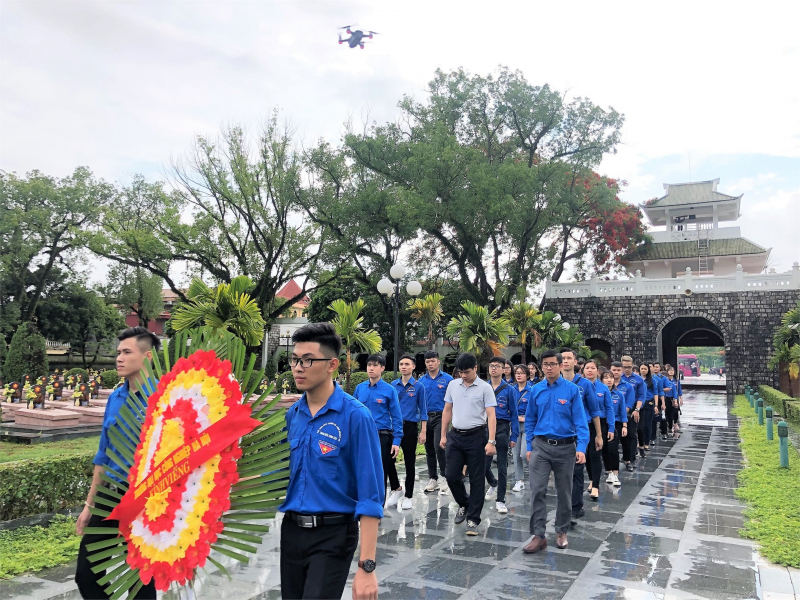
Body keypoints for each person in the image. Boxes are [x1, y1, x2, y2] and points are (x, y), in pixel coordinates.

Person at [280, 323, 382, 600]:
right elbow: (281, 474)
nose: (298, 368)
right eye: (295, 360)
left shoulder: (355, 416)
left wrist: (367, 567)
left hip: (333, 534)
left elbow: (370, 494)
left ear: (332, 365)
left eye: (307, 360)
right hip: (291, 531)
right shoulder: (293, 415)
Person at [75, 327, 160, 600]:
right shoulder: (115, 397)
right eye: (118, 352)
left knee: (140, 581)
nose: (119, 358)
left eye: (126, 352)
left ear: (147, 357)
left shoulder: (165, 398)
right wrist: (89, 506)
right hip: (110, 497)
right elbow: (103, 454)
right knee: (86, 573)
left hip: (147, 501)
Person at [523, 350, 589, 553]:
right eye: (545, 364)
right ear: (541, 367)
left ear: (561, 366)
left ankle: (561, 531)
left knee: (564, 492)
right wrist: (529, 446)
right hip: (541, 446)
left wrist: (582, 448)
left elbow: (581, 421)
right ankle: (538, 535)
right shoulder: (536, 390)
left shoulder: (572, 390)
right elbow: (530, 419)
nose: (549, 367)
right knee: (537, 490)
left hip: (565, 447)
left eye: (553, 364)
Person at [440, 353, 497, 536]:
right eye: (461, 372)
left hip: (477, 436)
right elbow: (447, 410)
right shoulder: (452, 385)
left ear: (475, 368)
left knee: (477, 479)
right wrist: (443, 435)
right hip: (456, 436)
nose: (463, 375)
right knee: (451, 475)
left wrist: (491, 441)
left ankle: (473, 519)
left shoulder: (485, 388)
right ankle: (464, 503)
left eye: (467, 372)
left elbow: (491, 415)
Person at [354, 354, 404, 507]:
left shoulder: (389, 390)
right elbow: (353, 412)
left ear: (382, 368)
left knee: (380, 471)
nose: (371, 368)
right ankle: (361, 503)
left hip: (382, 436)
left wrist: (396, 441)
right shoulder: (360, 388)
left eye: (375, 365)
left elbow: (396, 417)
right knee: (362, 469)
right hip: (362, 435)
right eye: (369, 365)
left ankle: (378, 507)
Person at [560, 348, 595, 520]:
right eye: (563, 358)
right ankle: (565, 505)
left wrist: (599, 435)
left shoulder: (585, 384)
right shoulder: (553, 383)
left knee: (577, 471)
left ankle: (576, 507)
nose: (565, 361)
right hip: (560, 433)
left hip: (579, 432)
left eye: (569, 358)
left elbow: (594, 411)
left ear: (575, 362)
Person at [391, 354, 428, 510]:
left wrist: (423, 431)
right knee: (389, 460)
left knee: (409, 461)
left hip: (410, 427)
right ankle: (396, 488)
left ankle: (409, 495)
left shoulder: (419, 387)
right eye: (401, 364)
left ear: (413, 366)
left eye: (407, 364)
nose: (403, 367)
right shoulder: (393, 385)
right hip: (394, 427)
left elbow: (423, 410)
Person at [484, 356, 519, 514]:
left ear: (503, 369)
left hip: (502, 427)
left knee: (502, 466)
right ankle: (493, 483)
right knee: (484, 464)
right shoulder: (484, 387)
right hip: (485, 427)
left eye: (497, 366)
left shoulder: (509, 389)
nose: (494, 368)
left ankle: (500, 500)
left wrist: (514, 435)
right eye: (491, 365)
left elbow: (514, 414)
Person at [419, 351, 453, 495]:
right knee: (429, 449)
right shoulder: (421, 381)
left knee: (440, 446)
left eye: (433, 361)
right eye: (428, 362)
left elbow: (452, 400)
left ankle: (445, 476)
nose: (430, 364)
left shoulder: (448, 379)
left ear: (438, 362)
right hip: (426, 417)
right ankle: (433, 478)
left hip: (441, 416)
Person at [582, 359, 615, 500]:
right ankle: (591, 479)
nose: (590, 370)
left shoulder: (603, 388)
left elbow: (609, 408)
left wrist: (611, 428)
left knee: (595, 453)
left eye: (592, 368)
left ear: (597, 371)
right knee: (586, 455)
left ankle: (595, 486)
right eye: (587, 368)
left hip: (599, 424)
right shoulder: (579, 386)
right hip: (583, 423)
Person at [600, 368, 627, 486]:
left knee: (613, 448)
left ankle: (615, 473)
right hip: (602, 423)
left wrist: (625, 425)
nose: (609, 380)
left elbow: (623, 411)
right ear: (601, 380)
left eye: (611, 377)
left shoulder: (618, 394)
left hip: (616, 424)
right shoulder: (599, 394)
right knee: (605, 449)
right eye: (606, 378)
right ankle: (608, 471)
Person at [620, 356, 645, 472]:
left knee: (632, 433)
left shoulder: (638, 380)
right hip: (617, 407)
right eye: (624, 367)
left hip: (633, 408)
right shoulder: (616, 377)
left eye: (629, 367)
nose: (626, 369)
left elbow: (641, 396)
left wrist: (637, 409)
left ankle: (631, 459)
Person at [511, 365, 532, 492]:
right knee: (515, 454)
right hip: (514, 424)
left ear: (527, 375)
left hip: (527, 424)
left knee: (524, 453)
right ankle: (519, 480)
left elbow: (535, 409)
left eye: (522, 373)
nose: (519, 375)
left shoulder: (532, 390)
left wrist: (525, 418)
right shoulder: (511, 389)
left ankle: (536, 471)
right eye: (517, 373)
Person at [637, 363, 657, 456]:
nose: (643, 370)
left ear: (648, 370)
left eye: (645, 369)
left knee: (648, 425)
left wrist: (656, 405)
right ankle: (640, 442)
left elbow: (656, 393)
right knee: (639, 426)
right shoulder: (637, 380)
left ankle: (646, 443)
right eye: (642, 369)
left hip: (649, 403)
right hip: (639, 403)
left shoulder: (652, 380)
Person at [660, 365, 680, 439]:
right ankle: (667, 427)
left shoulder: (673, 383)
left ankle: (672, 425)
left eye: (672, 370)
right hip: (664, 399)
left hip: (671, 399)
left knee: (673, 413)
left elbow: (675, 392)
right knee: (666, 414)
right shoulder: (662, 383)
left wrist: (676, 401)